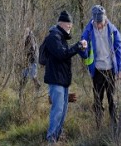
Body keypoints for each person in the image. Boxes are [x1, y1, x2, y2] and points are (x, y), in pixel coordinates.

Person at [43, 10, 87, 144]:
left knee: (63, 111)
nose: (70, 26)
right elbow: (62, 54)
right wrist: (77, 46)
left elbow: (66, 54)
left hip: (63, 82)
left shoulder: (61, 38)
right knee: (57, 110)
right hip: (56, 81)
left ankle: (57, 136)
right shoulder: (53, 37)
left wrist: (80, 48)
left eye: (71, 24)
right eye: (68, 23)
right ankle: (51, 139)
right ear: (61, 23)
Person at [80, 5, 121, 128]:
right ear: (93, 20)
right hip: (97, 70)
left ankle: (114, 124)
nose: (99, 25)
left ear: (105, 19)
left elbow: (119, 49)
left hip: (110, 69)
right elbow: (83, 52)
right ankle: (98, 124)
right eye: (97, 22)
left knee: (112, 99)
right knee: (97, 100)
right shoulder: (88, 31)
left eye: (101, 22)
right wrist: (83, 48)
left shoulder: (112, 30)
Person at [21, 28, 41, 92]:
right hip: (30, 60)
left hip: (32, 60)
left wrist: (26, 54)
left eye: (25, 31)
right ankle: (22, 90)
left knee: (32, 75)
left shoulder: (30, 38)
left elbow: (32, 48)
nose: (24, 33)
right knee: (25, 74)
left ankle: (37, 86)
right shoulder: (30, 37)